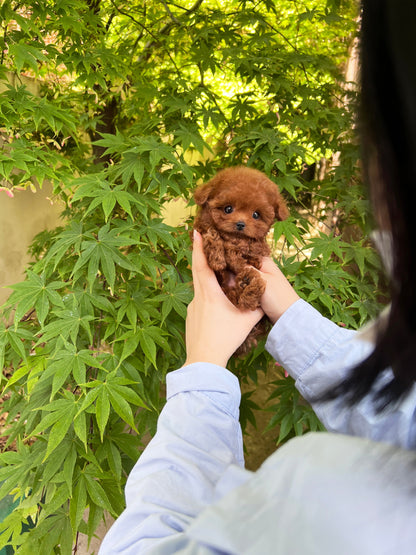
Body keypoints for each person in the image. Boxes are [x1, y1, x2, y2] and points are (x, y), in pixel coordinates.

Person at [99, 1, 416, 553]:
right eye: (229, 213)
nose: (242, 223)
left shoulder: (329, 508)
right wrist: (286, 312)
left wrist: (202, 370)